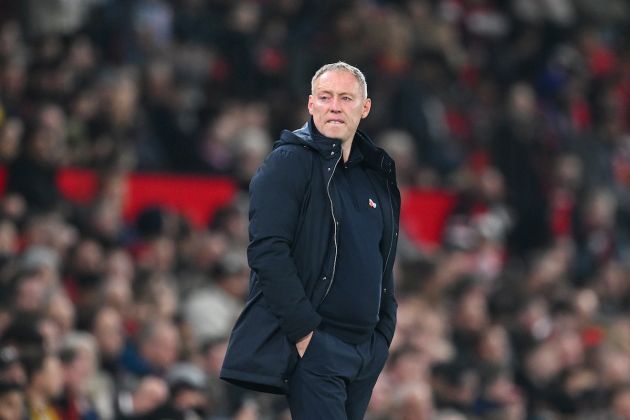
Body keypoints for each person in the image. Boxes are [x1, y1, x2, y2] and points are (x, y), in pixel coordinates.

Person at [221, 61, 401, 419]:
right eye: (326, 96)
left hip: (364, 352)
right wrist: (306, 334)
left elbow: (384, 261)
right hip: (319, 347)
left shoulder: (375, 175)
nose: (335, 105)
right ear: (311, 104)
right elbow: (267, 252)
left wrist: (382, 335)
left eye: (346, 98)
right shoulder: (288, 162)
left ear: (365, 108)